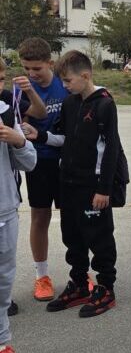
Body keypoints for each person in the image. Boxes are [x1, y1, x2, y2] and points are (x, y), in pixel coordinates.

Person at [24, 51, 126, 317]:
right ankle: (79, 283)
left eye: (68, 81)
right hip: (67, 182)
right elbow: (64, 139)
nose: (65, 86)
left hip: (92, 185)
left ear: (85, 75)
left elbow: (111, 149)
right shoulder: (71, 103)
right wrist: (41, 135)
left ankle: (105, 287)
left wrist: (104, 189)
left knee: (99, 236)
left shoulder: (104, 104)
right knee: (72, 235)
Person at [17, 37, 66, 302]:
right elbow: (27, 118)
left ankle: (80, 272)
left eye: (37, 68)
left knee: (72, 217)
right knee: (40, 217)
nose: (31, 74)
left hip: (66, 159)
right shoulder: (20, 90)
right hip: (37, 160)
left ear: (50, 62)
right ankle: (42, 275)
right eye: (26, 68)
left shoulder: (64, 83)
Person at [0, 68, 38, 353]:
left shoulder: (5, 114)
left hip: (4, 212)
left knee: (2, 282)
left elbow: (29, 162)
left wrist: (18, 141)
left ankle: (2, 345)